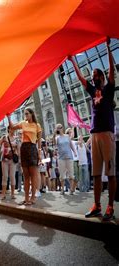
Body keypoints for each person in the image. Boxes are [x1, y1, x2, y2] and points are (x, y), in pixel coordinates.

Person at [69, 38, 116, 221]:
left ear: (102, 78)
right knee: (96, 173)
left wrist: (107, 48)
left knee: (110, 173)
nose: (94, 76)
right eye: (93, 75)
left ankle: (110, 207)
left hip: (107, 135)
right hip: (94, 135)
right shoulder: (92, 92)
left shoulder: (109, 89)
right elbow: (81, 78)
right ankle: (97, 205)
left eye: (97, 74)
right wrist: (72, 61)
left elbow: (111, 70)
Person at [8, 108, 42, 205]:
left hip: (32, 149)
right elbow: (12, 127)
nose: (25, 116)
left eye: (27, 114)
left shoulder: (37, 125)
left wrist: (39, 152)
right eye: (25, 114)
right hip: (23, 148)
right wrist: (8, 117)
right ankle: (26, 198)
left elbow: (39, 141)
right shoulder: (23, 123)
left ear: (31, 114)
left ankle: (33, 197)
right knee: (26, 176)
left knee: (33, 175)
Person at [53, 124, 77, 195]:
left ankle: (71, 189)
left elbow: (71, 145)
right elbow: (55, 144)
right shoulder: (57, 137)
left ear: (62, 128)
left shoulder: (67, 136)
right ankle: (62, 189)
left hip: (69, 157)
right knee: (62, 175)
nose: (59, 129)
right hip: (61, 158)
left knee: (71, 174)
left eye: (60, 127)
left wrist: (75, 152)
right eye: (58, 128)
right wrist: (54, 133)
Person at [0, 126, 20, 199]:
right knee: (5, 176)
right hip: (4, 159)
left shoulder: (17, 138)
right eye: (12, 128)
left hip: (13, 160)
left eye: (14, 129)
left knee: (12, 176)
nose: (13, 130)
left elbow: (18, 150)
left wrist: (19, 160)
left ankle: (12, 194)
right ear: (8, 129)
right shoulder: (4, 137)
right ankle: (3, 194)